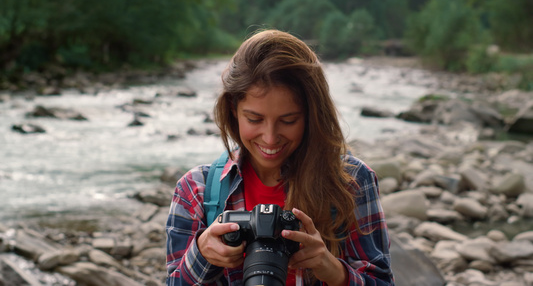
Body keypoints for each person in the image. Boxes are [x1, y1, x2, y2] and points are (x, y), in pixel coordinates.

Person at [165, 29, 394, 285]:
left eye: (288, 120)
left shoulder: (350, 182)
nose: (270, 138)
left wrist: (330, 267)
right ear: (233, 109)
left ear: (311, 114)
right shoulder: (197, 190)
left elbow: (382, 280)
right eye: (255, 119)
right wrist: (203, 253)